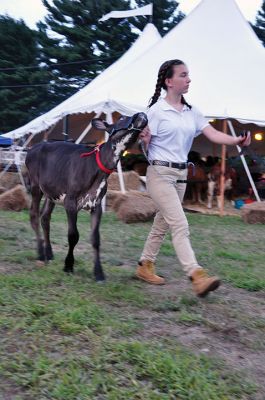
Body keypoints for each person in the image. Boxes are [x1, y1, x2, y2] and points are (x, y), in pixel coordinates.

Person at [136, 59, 251, 297]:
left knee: (163, 222)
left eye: (188, 75)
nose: (188, 79)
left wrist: (236, 141)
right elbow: (143, 148)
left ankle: (145, 265)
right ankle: (196, 275)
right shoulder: (155, 112)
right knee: (180, 223)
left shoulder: (192, 111)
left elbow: (213, 134)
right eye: (183, 75)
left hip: (180, 174)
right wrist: (144, 142)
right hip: (159, 173)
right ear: (169, 81)